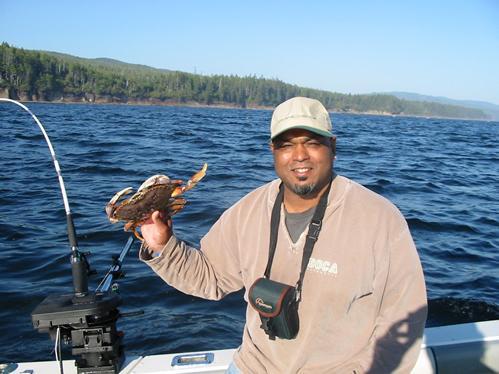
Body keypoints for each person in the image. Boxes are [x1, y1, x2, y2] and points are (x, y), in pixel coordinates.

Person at [139, 97, 427, 373]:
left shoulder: (379, 219)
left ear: (333, 147)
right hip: (252, 367)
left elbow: (403, 315)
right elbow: (210, 277)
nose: (300, 155)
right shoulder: (247, 211)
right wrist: (164, 245)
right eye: (286, 145)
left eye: (313, 143)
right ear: (273, 151)